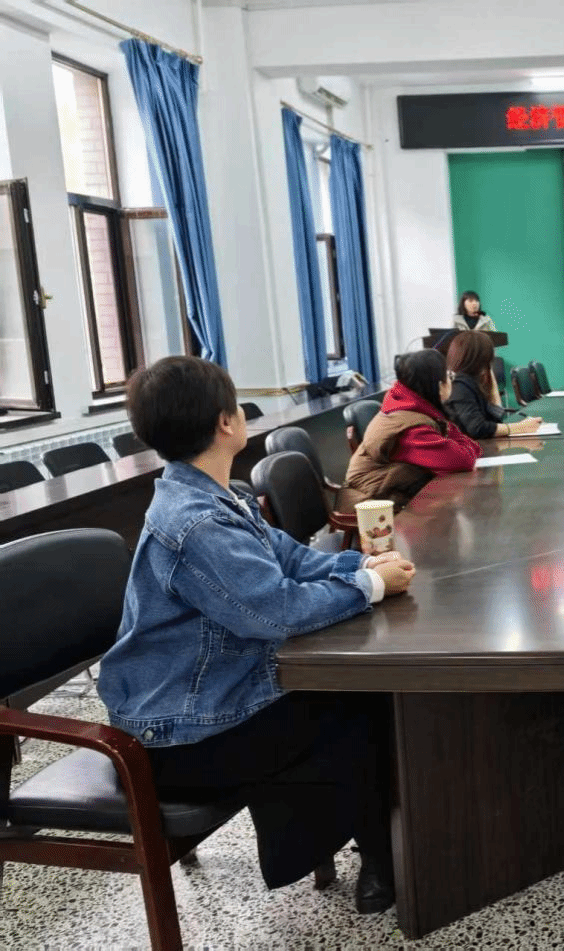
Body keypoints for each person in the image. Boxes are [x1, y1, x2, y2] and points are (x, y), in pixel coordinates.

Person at [96, 356, 416, 915]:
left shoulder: (217, 495)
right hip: (176, 735)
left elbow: (289, 558)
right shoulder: (197, 522)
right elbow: (273, 612)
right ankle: (380, 858)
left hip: (201, 700)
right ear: (226, 422)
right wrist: (367, 586)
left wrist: (364, 567)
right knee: (360, 706)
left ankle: (371, 844)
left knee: (355, 697)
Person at [343, 349, 482, 508]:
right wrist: (465, 447)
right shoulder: (412, 428)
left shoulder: (412, 407)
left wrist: (464, 446)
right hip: (372, 502)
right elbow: (463, 460)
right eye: (449, 376)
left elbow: (471, 450)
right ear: (439, 386)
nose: (452, 381)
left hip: (395, 489)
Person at [443, 330, 542, 439]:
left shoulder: (471, 381)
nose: (493, 358)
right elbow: (477, 428)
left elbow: (495, 418)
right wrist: (520, 427)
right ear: (481, 357)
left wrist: (491, 380)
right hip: (471, 446)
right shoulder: (460, 385)